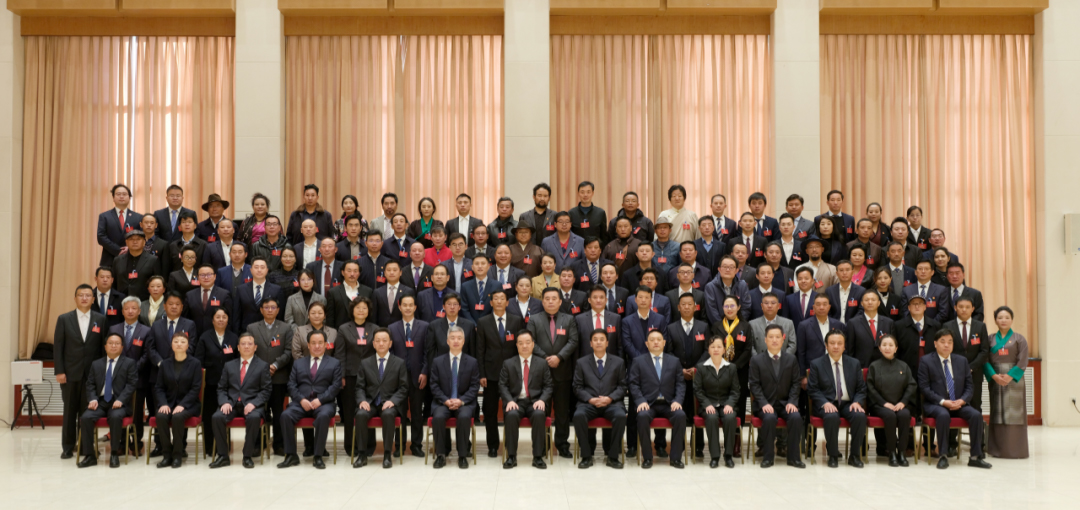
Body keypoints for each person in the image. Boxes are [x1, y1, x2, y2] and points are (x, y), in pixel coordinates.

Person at [918, 330, 992, 469]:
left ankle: (975, 457)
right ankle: (943, 455)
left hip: (958, 403)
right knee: (943, 414)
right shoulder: (926, 361)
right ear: (935, 343)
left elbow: (969, 386)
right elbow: (924, 388)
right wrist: (943, 402)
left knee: (976, 415)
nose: (946, 345)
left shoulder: (962, 361)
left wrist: (963, 400)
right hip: (936, 404)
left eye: (950, 342)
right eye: (943, 341)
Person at [526, 287, 580, 458]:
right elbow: (531, 342)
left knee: (562, 412)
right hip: (540, 373)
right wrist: (546, 358)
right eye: (547, 299)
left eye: (554, 298)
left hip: (563, 371)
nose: (550, 301)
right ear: (542, 302)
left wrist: (559, 357)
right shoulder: (534, 319)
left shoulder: (569, 319)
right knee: (542, 411)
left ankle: (562, 445)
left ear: (560, 301)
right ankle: (542, 446)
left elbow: (573, 340)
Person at [278, 330, 342, 469]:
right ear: (308, 345)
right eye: (313, 343)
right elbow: (291, 385)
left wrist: (320, 400)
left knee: (323, 416)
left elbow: (336, 386)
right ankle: (291, 455)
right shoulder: (298, 363)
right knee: (285, 415)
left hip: (324, 403)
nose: (317, 346)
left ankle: (318, 456)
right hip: (301, 403)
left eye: (320, 343)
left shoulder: (334, 363)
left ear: (326, 344)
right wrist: (301, 400)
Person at [209, 333, 272, 469]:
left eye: (250, 344)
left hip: (252, 404)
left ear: (255, 347)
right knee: (217, 417)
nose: (246, 346)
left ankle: (247, 456)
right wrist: (224, 402)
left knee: (254, 417)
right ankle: (223, 456)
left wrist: (254, 403)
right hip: (231, 403)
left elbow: (266, 390)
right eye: (243, 344)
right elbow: (221, 388)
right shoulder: (229, 365)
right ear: (238, 347)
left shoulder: (262, 366)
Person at [807, 329, 868, 468]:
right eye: (832, 343)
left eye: (839, 343)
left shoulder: (854, 363)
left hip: (848, 403)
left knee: (859, 416)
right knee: (831, 416)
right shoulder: (817, 364)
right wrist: (824, 403)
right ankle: (833, 455)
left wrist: (857, 402)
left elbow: (861, 388)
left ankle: (854, 455)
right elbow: (813, 389)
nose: (836, 346)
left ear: (844, 346)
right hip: (827, 403)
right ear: (826, 345)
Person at [748, 324, 806, 468]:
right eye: (771, 337)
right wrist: (763, 403)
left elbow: (795, 383)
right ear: (765, 339)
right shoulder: (756, 360)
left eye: (777, 337)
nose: (774, 340)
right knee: (769, 418)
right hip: (765, 404)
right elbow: (754, 385)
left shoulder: (791, 359)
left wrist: (792, 402)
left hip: (786, 403)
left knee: (796, 417)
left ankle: (794, 458)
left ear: (783, 339)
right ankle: (768, 457)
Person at [76, 334, 138, 468]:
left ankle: (114, 453)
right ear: (105, 346)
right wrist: (92, 398)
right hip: (101, 402)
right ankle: (90, 455)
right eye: (110, 343)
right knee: (86, 417)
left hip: (119, 402)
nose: (113, 346)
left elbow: (132, 384)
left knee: (115, 417)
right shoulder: (96, 364)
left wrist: (121, 399)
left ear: (122, 347)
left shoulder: (129, 363)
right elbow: (90, 384)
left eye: (117, 343)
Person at [476, 290, 525, 456]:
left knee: (510, 411)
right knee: (490, 412)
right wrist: (482, 374)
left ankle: (510, 446)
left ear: (507, 302)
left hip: (512, 374)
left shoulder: (516, 320)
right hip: (490, 375)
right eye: (495, 298)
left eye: (502, 298)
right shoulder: (483, 322)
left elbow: (520, 347)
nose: (498, 301)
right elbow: (480, 350)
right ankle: (492, 446)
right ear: (491, 303)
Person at [628, 330, 686, 469]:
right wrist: (641, 401)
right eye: (652, 340)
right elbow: (633, 384)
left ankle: (675, 458)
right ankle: (647, 458)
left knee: (680, 415)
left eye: (659, 339)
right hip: (648, 403)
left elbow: (680, 383)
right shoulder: (638, 361)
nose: (655, 342)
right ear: (646, 344)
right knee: (642, 416)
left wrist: (677, 400)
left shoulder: (674, 361)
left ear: (664, 343)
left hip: (669, 403)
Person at [352, 328, 409, 468]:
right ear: (373, 344)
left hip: (389, 403)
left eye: (384, 340)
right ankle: (362, 454)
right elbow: (359, 387)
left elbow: (403, 387)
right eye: (378, 341)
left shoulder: (399, 363)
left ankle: (387, 454)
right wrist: (362, 400)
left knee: (388, 414)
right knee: (360, 414)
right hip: (370, 402)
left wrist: (393, 401)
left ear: (390, 343)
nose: (381, 343)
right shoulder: (365, 363)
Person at [499, 330, 555, 469]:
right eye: (521, 343)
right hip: (516, 401)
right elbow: (502, 385)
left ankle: (538, 457)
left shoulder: (542, 363)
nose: (524, 346)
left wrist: (542, 400)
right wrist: (509, 400)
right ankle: (511, 456)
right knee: (511, 415)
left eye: (527, 342)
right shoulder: (508, 363)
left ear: (533, 344)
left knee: (539, 414)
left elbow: (548, 386)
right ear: (516, 345)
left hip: (535, 401)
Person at [573, 328, 627, 469]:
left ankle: (613, 457)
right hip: (589, 404)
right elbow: (577, 387)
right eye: (595, 340)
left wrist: (610, 398)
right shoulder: (581, 362)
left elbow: (622, 386)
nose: (598, 342)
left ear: (607, 343)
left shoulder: (618, 362)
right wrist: (590, 399)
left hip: (611, 403)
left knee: (621, 416)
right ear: (590, 343)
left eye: (602, 339)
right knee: (578, 416)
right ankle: (586, 456)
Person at [388, 295, 433, 457]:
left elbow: (428, 351)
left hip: (418, 376)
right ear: (399, 307)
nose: (407, 308)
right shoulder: (392, 327)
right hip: (398, 378)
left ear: (415, 307)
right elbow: (390, 352)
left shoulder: (425, 326)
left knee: (416, 413)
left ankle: (416, 445)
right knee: (399, 413)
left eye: (410, 305)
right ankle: (399, 446)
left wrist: (425, 372)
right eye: (404, 305)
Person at [429, 326, 480, 469]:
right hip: (442, 402)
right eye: (452, 338)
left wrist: (461, 401)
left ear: (464, 341)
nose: (456, 341)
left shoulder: (472, 362)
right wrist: (445, 400)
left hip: (464, 402)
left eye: (459, 338)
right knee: (438, 417)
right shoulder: (438, 361)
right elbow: (434, 385)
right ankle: (440, 455)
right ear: (447, 341)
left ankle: (462, 455)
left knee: (464, 417)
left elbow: (474, 386)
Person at [246, 296, 292, 455]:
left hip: (279, 376)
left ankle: (278, 444)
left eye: (273, 307)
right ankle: (258, 444)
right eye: (266, 307)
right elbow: (249, 350)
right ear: (261, 310)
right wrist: (262, 368)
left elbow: (288, 351)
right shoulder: (252, 328)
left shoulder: (286, 328)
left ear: (278, 310)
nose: (270, 310)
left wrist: (275, 365)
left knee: (278, 412)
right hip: (257, 378)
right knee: (258, 411)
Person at [153, 332, 203, 468]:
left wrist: (183, 405)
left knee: (177, 417)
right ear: (171, 345)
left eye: (182, 341)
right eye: (176, 341)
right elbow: (159, 387)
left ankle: (177, 455)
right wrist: (163, 404)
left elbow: (195, 388)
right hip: (168, 403)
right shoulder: (165, 364)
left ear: (188, 345)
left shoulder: (195, 363)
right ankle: (166, 455)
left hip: (189, 405)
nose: (179, 344)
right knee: (161, 416)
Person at [668, 294, 710, 457]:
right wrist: (680, 370)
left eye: (689, 304)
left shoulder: (703, 326)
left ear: (695, 307)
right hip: (678, 377)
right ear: (678, 307)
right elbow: (669, 351)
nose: (686, 307)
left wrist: (696, 369)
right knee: (679, 411)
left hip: (698, 376)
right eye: (683, 304)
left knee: (697, 411)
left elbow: (707, 350)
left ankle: (698, 447)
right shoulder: (671, 328)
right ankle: (678, 446)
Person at [335, 296, 376, 456]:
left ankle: (369, 446)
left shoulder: (375, 328)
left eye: (364, 308)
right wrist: (341, 376)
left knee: (368, 409)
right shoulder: (343, 329)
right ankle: (350, 446)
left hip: (370, 377)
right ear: (352, 310)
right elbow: (340, 354)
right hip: (350, 376)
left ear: (368, 311)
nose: (361, 311)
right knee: (349, 411)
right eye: (358, 308)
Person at [866, 334, 916, 467]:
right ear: (879, 348)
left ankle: (902, 452)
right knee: (890, 416)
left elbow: (911, 385)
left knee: (904, 415)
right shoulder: (874, 366)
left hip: (900, 404)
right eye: (884, 345)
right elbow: (870, 388)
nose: (887, 348)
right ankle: (892, 452)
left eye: (890, 345)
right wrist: (884, 403)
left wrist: (903, 402)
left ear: (896, 348)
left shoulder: (903, 366)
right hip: (880, 405)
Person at [985, 306, 1029, 459]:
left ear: (1012, 320)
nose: (1003, 320)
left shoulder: (1019, 339)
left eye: (1007, 317)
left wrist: (1010, 376)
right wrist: (994, 375)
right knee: (997, 412)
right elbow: (985, 359)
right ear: (995, 320)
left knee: (1015, 413)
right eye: (1000, 317)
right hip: (995, 378)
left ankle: (1016, 450)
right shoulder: (989, 339)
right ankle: (997, 449)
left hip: (1014, 380)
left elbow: (1023, 360)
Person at [194, 308, 238, 457]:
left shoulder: (233, 337)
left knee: (225, 414)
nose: (221, 319)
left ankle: (223, 447)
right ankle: (209, 447)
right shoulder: (205, 337)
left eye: (224, 317)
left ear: (228, 320)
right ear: (212, 320)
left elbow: (237, 360)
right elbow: (199, 360)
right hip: (210, 383)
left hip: (229, 385)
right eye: (218, 317)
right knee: (209, 415)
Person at [110, 296, 151, 454]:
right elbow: (110, 352)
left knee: (137, 412)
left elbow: (147, 354)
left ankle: (137, 442)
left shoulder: (146, 330)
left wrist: (132, 369)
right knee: (118, 410)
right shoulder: (114, 329)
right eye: (127, 308)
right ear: (122, 311)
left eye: (134, 308)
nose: (130, 311)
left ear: (139, 311)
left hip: (139, 377)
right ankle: (120, 443)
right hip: (117, 379)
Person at [694, 335, 741, 468]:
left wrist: (730, 404)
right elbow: (698, 390)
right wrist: (707, 404)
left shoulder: (731, 367)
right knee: (711, 417)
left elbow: (735, 390)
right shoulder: (701, 367)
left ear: (724, 350)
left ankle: (728, 455)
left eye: (719, 347)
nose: (716, 349)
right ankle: (714, 456)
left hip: (726, 404)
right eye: (712, 347)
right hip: (708, 404)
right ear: (708, 350)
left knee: (730, 417)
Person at [710, 295, 753, 426]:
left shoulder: (746, 326)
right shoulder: (716, 326)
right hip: (719, 370)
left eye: (732, 306)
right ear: (722, 308)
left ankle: (738, 433)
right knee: (722, 399)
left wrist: (735, 366)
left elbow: (748, 350)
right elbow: (711, 347)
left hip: (740, 370)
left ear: (738, 307)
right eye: (726, 306)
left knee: (739, 400)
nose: (729, 309)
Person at [795, 294, 844, 375]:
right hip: (812, 369)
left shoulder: (838, 325)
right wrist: (803, 375)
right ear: (814, 307)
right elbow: (801, 352)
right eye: (818, 304)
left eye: (825, 304)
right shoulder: (804, 326)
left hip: (834, 367)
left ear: (829, 307)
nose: (821, 307)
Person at [97, 184, 143, 266]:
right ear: (113, 198)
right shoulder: (105, 216)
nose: (121, 196)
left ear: (129, 198)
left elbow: (142, 237)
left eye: (124, 194)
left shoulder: (138, 217)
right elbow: (101, 237)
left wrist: (130, 248)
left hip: (132, 257)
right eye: (118, 194)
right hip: (110, 258)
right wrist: (118, 250)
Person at [845, 291, 893, 367]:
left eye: (873, 300)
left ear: (879, 303)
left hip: (884, 365)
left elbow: (893, 346)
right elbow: (850, 349)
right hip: (861, 366)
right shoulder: (853, 323)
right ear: (862, 303)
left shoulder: (888, 322)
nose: (870, 302)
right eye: (866, 300)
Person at [235, 258, 281, 333]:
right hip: (246, 332)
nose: (259, 270)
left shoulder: (276, 290)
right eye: (256, 267)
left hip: (270, 332)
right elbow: (236, 315)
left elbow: (280, 315)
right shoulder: (241, 289)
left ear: (267, 270)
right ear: (251, 270)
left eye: (262, 267)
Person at [184, 264, 232, 337]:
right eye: (202, 275)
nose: (206, 277)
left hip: (216, 336)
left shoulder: (224, 294)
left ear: (215, 276)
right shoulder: (190, 295)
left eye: (209, 275)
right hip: (195, 335)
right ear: (198, 277)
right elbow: (185, 319)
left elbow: (229, 319)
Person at [112, 229, 159, 300]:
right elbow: (114, 283)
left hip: (144, 301)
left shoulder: (153, 260)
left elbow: (157, 282)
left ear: (144, 242)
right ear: (126, 242)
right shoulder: (117, 260)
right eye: (131, 239)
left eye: (138, 239)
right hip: (121, 301)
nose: (135, 242)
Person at [704, 256, 751, 324]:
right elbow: (712, 311)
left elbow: (746, 308)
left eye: (731, 267)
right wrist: (722, 327)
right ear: (719, 269)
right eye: (725, 267)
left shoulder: (742, 285)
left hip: (739, 326)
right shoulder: (710, 287)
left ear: (736, 270)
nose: (728, 270)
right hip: (718, 327)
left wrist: (737, 325)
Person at [163, 212, 208, 277]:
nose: (187, 224)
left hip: (197, 280)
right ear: (180, 227)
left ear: (195, 226)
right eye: (184, 222)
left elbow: (205, 266)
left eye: (190, 222)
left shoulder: (203, 245)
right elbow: (169, 267)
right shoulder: (173, 245)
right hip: (177, 280)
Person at [825, 260, 865, 324]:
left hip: (854, 325)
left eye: (847, 270)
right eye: (841, 270)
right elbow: (827, 311)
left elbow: (861, 311)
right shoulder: (829, 291)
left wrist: (851, 324)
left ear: (852, 272)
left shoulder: (861, 291)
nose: (844, 273)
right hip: (834, 326)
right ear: (837, 273)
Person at [374, 260, 412, 327]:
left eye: (395, 270)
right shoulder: (377, 292)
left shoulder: (408, 291)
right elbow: (374, 315)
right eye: (388, 270)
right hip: (382, 329)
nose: (391, 272)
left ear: (400, 272)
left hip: (401, 329)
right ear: (385, 273)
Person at [569, 181, 608, 245]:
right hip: (576, 248)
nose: (585, 195)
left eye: (588, 192)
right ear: (578, 193)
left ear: (592, 193)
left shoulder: (600, 213)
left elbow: (604, 236)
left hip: (594, 249)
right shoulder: (571, 213)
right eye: (582, 192)